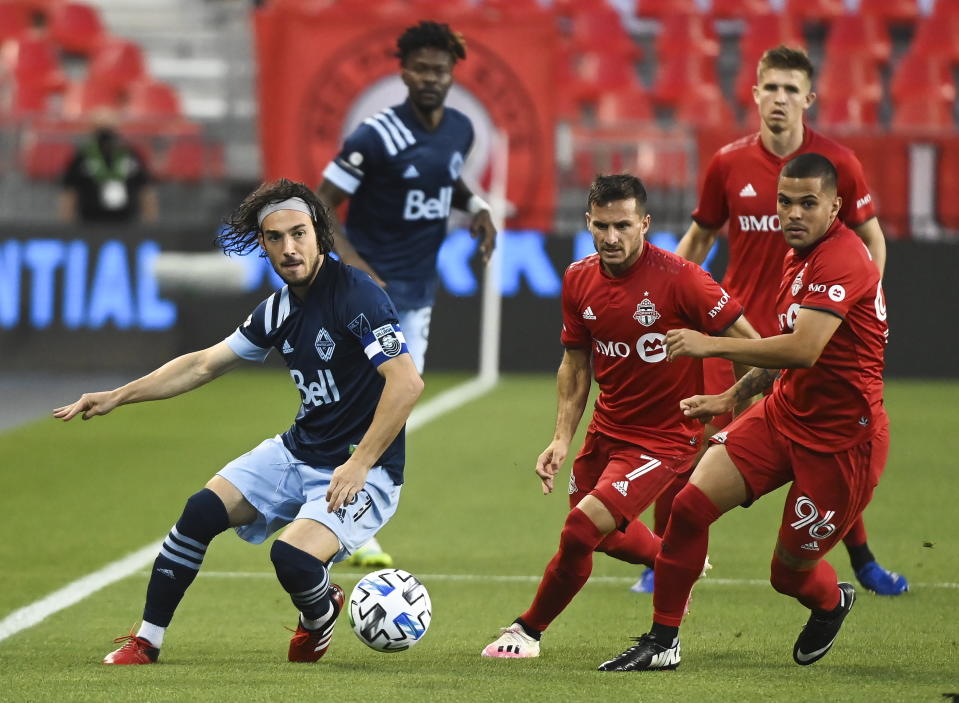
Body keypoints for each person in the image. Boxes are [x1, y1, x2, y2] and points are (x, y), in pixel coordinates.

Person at [53, 179, 423, 665]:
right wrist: (118, 396)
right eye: (276, 238)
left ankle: (320, 614)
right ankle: (147, 640)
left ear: (319, 234)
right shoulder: (278, 309)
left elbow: (406, 383)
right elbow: (203, 364)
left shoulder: (358, 295)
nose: (289, 248)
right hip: (298, 451)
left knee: (290, 559)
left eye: (299, 233)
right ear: (262, 245)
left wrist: (359, 463)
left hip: (365, 473)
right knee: (199, 512)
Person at [632, 45, 905, 597]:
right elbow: (701, 239)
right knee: (689, 436)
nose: (779, 98)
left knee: (820, 441)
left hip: (807, 331)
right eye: (770, 88)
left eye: (790, 89)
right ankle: (661, 559)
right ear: (754, 93)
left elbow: (870, 239)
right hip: (737, 330)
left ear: (808, 98)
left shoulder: (837, 168)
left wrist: (863, 302)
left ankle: (860, 559)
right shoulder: (729, 164)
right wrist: (664, 292)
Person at [598, 154, 889, 671]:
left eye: (807, 203)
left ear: (835, 206)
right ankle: (663, 641)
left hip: (843, 442)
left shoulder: (843, 257)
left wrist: (708, 346)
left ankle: (831, 600)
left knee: (789, 575)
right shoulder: (796, 254)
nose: (792, 214)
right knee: (688, 506)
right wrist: (732, 399)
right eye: (784, 202)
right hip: (783, 415)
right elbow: (788, 356)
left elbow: (802, 350)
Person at [480, 174, 758, 659]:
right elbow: (575, 362)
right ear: (588, 220)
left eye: (623, 226)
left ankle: (526, 631)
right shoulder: (578, 278)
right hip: (606, 431)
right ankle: (677, 560)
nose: (611, 237)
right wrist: (561, 437)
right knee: (601, 537)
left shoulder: (683, 278)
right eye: (602, 225)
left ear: (645, 224)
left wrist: (737, 411)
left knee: (579, 532)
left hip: (666, 439)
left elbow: (753, 346)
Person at [317, 20, 496, 568]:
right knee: (379, 404)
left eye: (439, 70)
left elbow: (449, 178)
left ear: (451, 75)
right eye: (420, 68)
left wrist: (479, 207)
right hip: (365, 297)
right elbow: (320, 203)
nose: (430, 78)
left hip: (417, 295)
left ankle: (331, 506)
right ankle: (350, 523)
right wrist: (356, 267)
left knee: (383, 407)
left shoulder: (460, 130)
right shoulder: (376, 136)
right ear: (403, 72)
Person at [59, 107, 158, 225]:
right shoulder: (81, 157)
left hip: (127, 225)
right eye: (101, 129)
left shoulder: (131, 156)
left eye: (109, 129)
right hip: (89, 224)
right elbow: (70, 193)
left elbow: (145, 191)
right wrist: (66, 225)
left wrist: (151, 223)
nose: (106, 135)